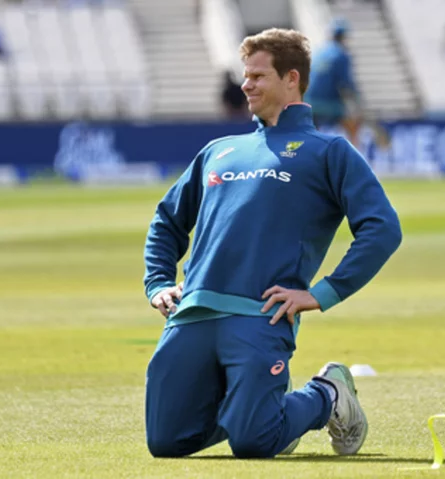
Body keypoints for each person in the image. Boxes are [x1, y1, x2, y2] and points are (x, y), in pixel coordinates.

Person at [143, 28, 402, 459]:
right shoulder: (219, 151)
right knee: (167, 442)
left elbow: (383, 229)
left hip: (259, 315)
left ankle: (326, 395)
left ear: (292, 79)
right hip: (190, 315)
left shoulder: (328, 151)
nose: (246, 85)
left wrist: (322, 294)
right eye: (246, 75)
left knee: (253, 442)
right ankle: (273, 417)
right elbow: (167, 220)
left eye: (258, 76)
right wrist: (157, 283)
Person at [304, 19, 362, 147]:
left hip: (308, 101)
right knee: (352, 122)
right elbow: (346, 83)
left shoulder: (319, 52)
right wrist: (358, 100)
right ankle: (355, 156)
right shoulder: (341, 54)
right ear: (343, 37)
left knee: (312, 130)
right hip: (327, 102)